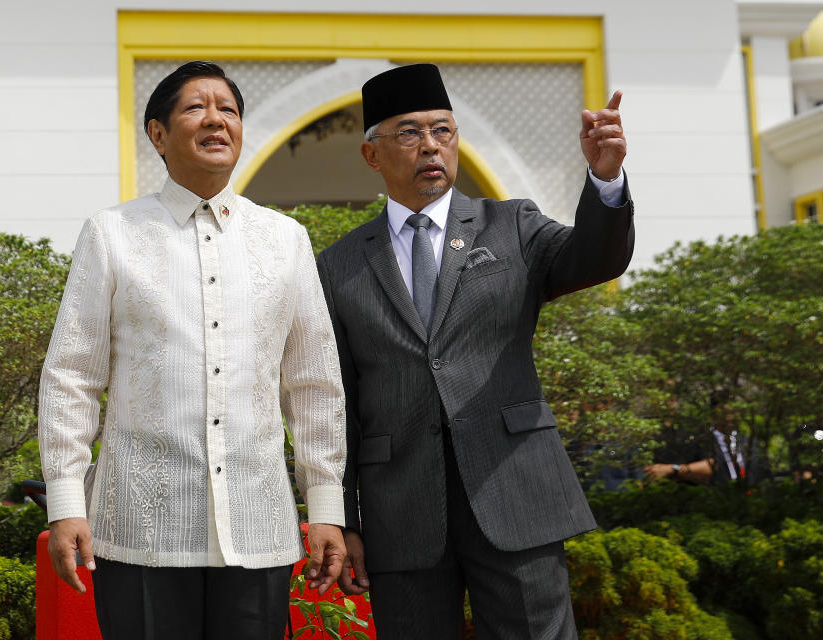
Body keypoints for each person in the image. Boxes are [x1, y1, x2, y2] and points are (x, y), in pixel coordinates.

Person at [316, 63, 634, 639]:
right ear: (372, 155)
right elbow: (336, 404)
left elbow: (595, 258)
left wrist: (606, 180)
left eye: (443, 130)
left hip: (514, 494)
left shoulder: (510, 226)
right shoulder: (338, 265)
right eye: (409, 133)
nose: (431, 146)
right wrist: (344, 518)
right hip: (402, 513)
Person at [38, 61, 347, 640]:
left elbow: (314, 383)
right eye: (196, 108)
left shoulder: (285, 240)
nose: (216, 120)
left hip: (258, 530)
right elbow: (72, 375)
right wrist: (66, 499)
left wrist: (325, 505)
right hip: (141, 530)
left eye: (227, 109)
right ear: (158, 134)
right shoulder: (112, 233)